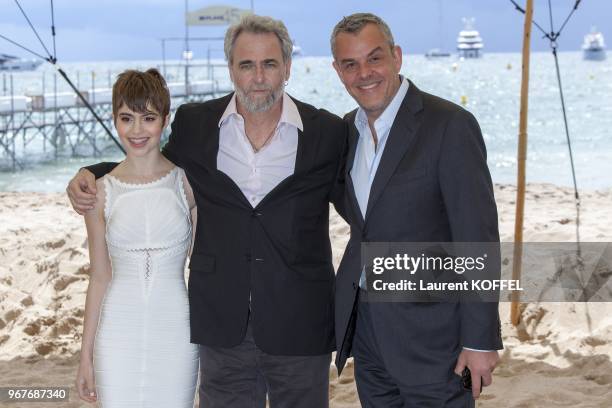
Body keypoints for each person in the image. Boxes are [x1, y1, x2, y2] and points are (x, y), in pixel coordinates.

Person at [67, 15, 346, 408]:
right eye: (246, 65)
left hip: (300, 328)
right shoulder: (196, 124)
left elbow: (361, 203)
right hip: (221, 329)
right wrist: (92, 174)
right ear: (231, 69)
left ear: (287, 67)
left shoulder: (328, 133)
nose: (259, 77)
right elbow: (150, 166)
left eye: (269, 64)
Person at [330, 13, 503, 407]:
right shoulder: (345, 133)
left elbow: (477, 238)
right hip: (367, 333)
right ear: (337, 71)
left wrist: (479, 340)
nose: (364, 73)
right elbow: (365, 221)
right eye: (350, 64)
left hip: (435, 337)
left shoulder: (449, 126)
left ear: (397, 57)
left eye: (375, 58)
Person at [75, 68, 198, 407]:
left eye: (148, 117)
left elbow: (203, 264)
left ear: (165, 119)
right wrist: (85, 356)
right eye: (126, 118)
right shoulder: (99, 192)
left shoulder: (187, 184)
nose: (137, 130)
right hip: (117, 331)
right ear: (114, 119)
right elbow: (99, 278)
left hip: (177, 329)